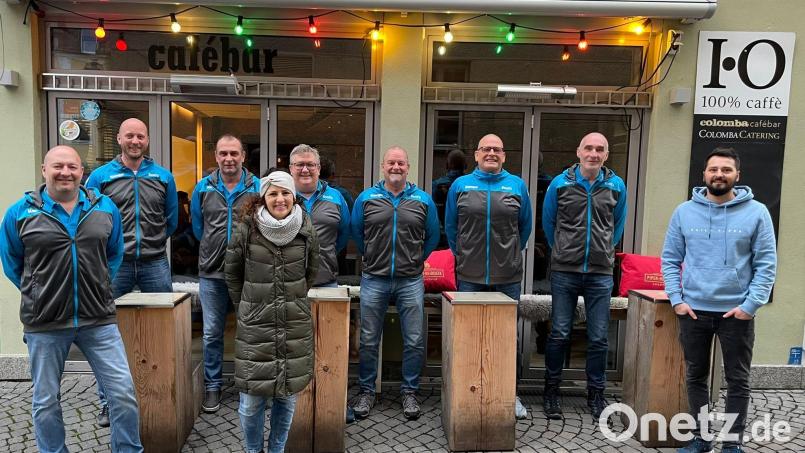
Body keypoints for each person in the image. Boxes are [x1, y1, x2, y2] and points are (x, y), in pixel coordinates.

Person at [0, 146, 143, 453]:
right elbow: (13, 263)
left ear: (82, 172)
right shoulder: (19, 213)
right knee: (46, 400)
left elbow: (115, 254)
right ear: (44, 170)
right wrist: (38, 293)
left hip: (98, 320)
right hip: (45, 323)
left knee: (122, 394)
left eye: (72, 167)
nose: (65, 172)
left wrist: (100, 283)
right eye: (58, 166)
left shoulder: (104, 208)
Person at [662, 147, 776, 453]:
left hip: (735, 312)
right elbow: (670, 259)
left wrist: (750, 306)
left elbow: (766, 264)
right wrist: (677, 300)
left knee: (737, 380)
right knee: (695, 377)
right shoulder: (684, 212)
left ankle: (731, 443)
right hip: (694, 311)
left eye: (726, 170)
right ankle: (700, 438)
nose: (719, 175)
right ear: (704, 175)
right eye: (714, 169)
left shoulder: (757, 213)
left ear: (737, 175)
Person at [85, 117, 178, 427]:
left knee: (162, 330)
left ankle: (162, 394)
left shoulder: (163, 177)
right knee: (106, 334)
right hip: (115, 265)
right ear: (120, 139)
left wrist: (152, 242)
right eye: (129, 136)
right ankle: (107, 403)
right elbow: (90, 218)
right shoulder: (100, 177)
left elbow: (172, 220)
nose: (135, 141)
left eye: (140, 136)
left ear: (147, 140)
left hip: (154, 263)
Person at [225, 171, 319, 453]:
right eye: (273, 193)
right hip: (256, 326)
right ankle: (254, 450)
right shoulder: (247, 228)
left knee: (287, 398)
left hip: (294, 324)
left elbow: (311, 271)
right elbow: (232, 273)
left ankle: (276, 449)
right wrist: (248, 307)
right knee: (251, 401)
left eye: (285, 193)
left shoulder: (305, 227)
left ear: (293, 196)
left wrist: (294, 300)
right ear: (263, 197)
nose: (280, 199)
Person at [444, 134, 532, 419]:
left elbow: (525, 227)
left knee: (506, 338)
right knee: (469, 336)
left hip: (507, 276)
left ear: (504, 156)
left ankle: (509, 392)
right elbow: (451, 227)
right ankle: (468, 391)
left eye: (497, 149)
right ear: (477, 155)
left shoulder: (517, 185)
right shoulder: (460, 185)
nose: (491, 152)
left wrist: (507, 255)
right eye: (486, 149)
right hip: (469, 276)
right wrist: (465, 255)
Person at [350, 146, 440, 420]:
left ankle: (409, 392)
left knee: (413, 339)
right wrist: (374, 258)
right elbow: (356, 233)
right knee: (367, 339)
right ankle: (366, 391)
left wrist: (414, 260)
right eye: (391, 162)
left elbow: (433, 237)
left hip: (410, 279)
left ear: (408, 167)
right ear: (382, 166)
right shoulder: (366, 198)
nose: (396, 167)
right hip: (374, 278)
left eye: (401, 163)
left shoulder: (423, 200)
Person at [541, 132, 627, 420]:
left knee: (599, 337)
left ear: (605, 154)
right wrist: (564, 250)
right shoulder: (560, 183)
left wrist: (603, 250)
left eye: (599, 149)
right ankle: (551, 391)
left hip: (600, 272)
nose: (593, 153)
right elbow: (549, 222)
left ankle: (596, 393)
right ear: (578, 151)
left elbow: (617, 225)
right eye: (588, 148)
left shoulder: (616, 185)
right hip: (565, 270)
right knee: (560, 333)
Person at [191, 134, 260, 413]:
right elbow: (199, 227)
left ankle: (249, 387)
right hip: (211, 273)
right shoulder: (203, 188)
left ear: (243, 155)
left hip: (248, 273)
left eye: (234, 153)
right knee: (211, 334)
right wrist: (213, 249)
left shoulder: (257, 187)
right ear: (216, 157)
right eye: (223, 153)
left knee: (250, 333)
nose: (228, 159)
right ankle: (212, 386)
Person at [289, 144, 350, 287]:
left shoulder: (336, 197)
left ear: (319, 168)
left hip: (326, 280)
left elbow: (344, 234)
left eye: (310, 164)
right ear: (291, 169)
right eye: (299, 165)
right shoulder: (282, 196)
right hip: (288, 284)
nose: (305, 170)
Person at [433, 148, 467, 249]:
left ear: (447, 165)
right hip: (465, 239)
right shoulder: (468, 186)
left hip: (441, 238)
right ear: (465, 165)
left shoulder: (435, 185)